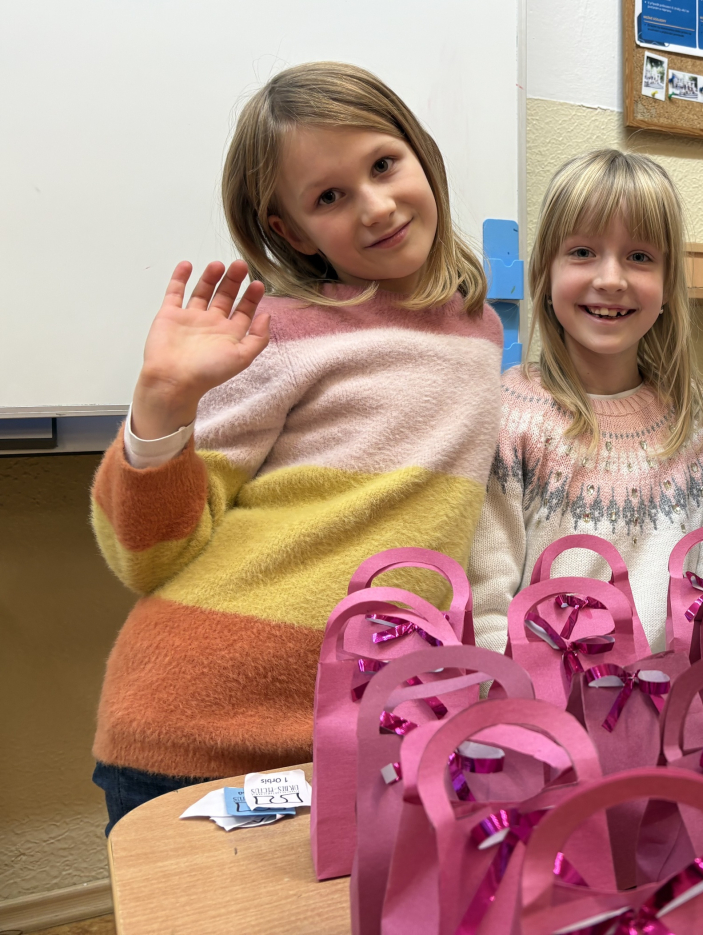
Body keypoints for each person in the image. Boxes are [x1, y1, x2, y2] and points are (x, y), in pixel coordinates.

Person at [89, 62, 502, 829]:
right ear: (288, 230)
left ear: (421, 153)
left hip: (361, 728)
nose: (376, 206)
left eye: (383, 164)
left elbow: (444, 535)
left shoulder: (480, 330)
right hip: (197, 730)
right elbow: (145, 559)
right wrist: (162, 405)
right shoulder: (274, 335)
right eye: (329, 197)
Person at [470, 150, 703, 653]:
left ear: (667, 285)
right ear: (545, 274)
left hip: (678, 693)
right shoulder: (507, 415)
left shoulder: (697, 416)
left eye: (639, 257)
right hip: (543, 699)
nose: (612, 279)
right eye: (582, 252)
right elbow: (486, 610)